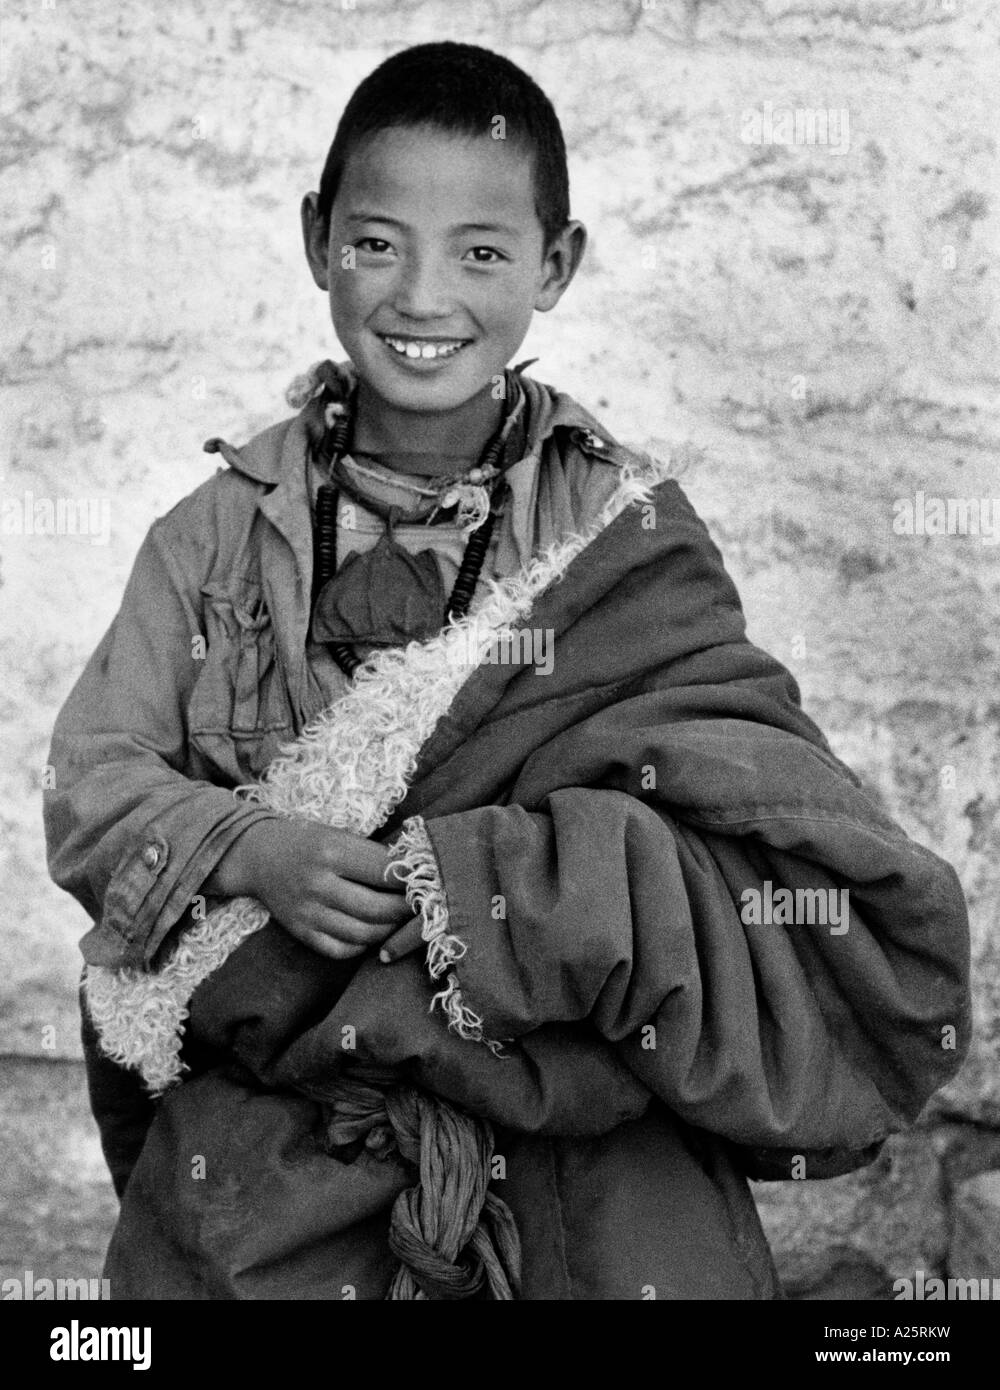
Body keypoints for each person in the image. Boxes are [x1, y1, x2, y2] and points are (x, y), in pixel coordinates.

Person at [44, 41, 971, 1301]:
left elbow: (735, 796)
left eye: (481, 252)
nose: (424, 296)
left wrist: (523, 887)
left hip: (562, 1094)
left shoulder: (622, 537)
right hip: (295, 1097)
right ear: (318, 240)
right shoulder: (215, 538)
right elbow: (95, 783)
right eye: (378, 242)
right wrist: (251, 852)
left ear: (555, 264)